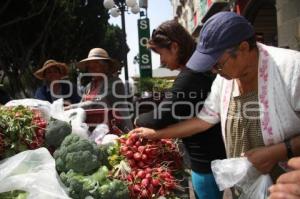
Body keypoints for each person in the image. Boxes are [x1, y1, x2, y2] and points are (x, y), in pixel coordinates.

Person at [130, 12, 300, 198]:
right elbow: (203, 120)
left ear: (243, 48)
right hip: (245, 184)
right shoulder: (224, 80)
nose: (213, 71)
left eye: (218, 64)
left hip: (289, 183)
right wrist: (158, 134)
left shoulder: (292, 70)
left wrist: (279, 151)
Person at [134, 20, 226, 199]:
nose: (161, 61)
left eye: (161, 54)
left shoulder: (191, 75)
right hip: (213, 156)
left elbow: (160, 117)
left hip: (205, 162)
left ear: (175, 47)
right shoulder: (200, 71)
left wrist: (138, 120)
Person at [76, 48, 133, 131]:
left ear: (106, 67)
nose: (92, 69)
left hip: (117, 129)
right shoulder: (89, 86)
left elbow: (99, 102)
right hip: (94, 129)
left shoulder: (115, 82)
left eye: (96, 65)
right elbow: (81, 105)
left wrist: (72, 107)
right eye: (90, 66)